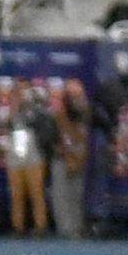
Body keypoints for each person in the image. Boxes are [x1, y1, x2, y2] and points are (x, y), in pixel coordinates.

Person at [4, 85, 54, 237]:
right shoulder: (12, 114)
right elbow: (8, 126)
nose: (20, 99)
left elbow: (45, 130)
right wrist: (14, 108)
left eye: (23, 95)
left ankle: (40, 226)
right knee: (16, 195)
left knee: (36, 194)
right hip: (15, 157)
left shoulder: (37, 112)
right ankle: (18, 226)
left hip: (34, 157)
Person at [51, 84, 90, 238]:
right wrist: (62, 151)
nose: (77, 100)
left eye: (79, 96)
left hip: (79, 160)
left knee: (77, 196)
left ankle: (76, 228)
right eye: (73, 96)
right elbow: (51, 139)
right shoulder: (58, 116)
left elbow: (84, 138)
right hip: (61, 160)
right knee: (61, 196)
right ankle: (65, 230)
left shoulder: (84, 116)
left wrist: (77, 157)